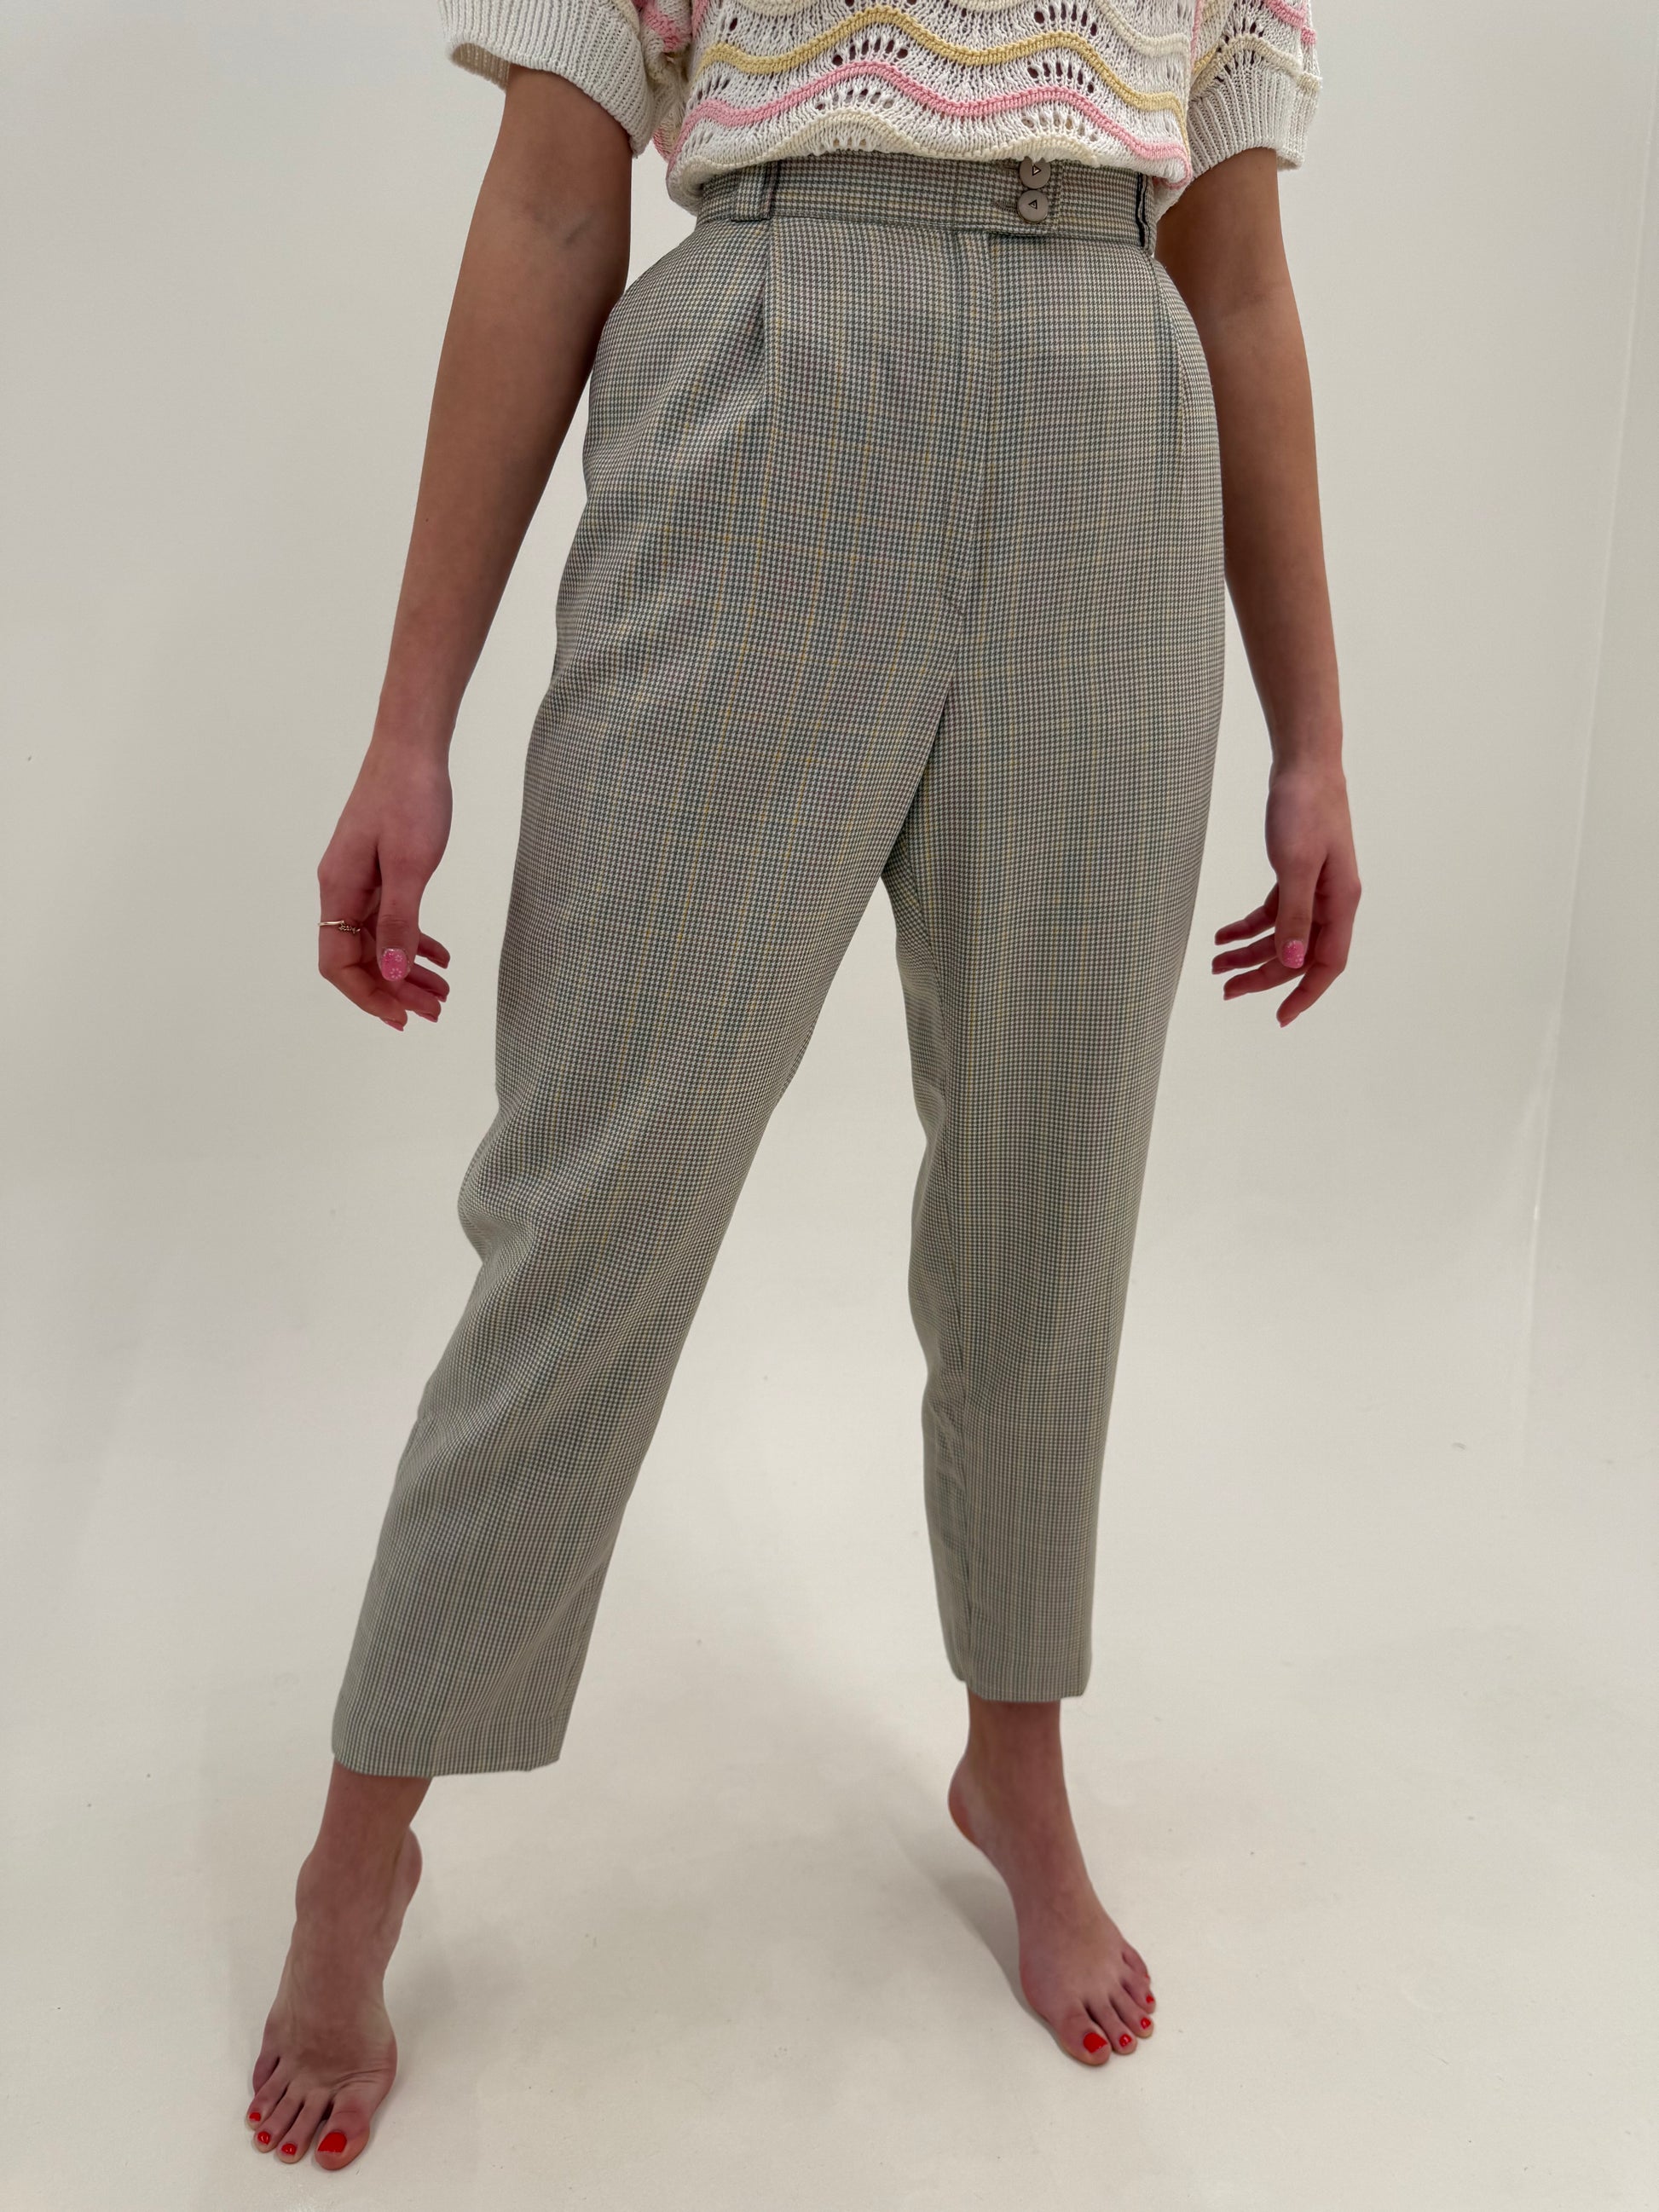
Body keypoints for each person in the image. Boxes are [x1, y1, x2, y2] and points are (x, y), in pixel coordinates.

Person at [246, 0, 1359, 2171]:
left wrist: (1312, 729)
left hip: (1110, 415)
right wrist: (408, 723)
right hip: (766, 361)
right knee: (591, 1197)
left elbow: (1235, 267)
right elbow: (552, 200)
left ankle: (1015, 1756)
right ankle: (362, 1835)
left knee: (1050, 1188)